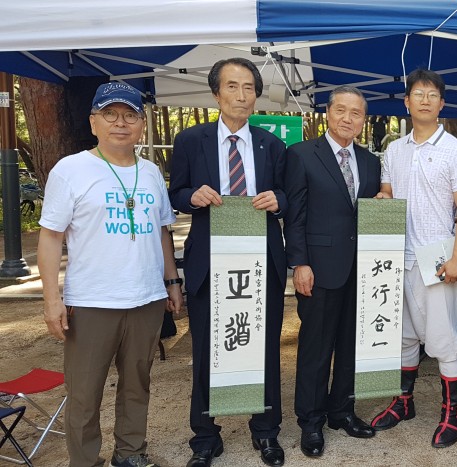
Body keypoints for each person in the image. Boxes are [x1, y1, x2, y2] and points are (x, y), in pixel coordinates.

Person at [38, 82, 182, 467]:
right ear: (93, 122)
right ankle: (85, 460)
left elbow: (162, 232)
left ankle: (130, 453)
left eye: (130, 115)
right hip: (92, 302)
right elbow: (50, 237)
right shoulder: (71, 170)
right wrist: (52, 301)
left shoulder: (151, 172)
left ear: (142, 124)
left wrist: (172, 282)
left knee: (137, 384)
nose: (121, 123)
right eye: (110, 114)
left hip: (146, 298)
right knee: (84, 392)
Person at [169, 57, 288, 467]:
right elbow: (175, 193)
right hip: (211, 259)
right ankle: (205, 436)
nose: (241, 95)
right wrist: (191, 196)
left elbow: (289, 197)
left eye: (249, 88)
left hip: (261, 260)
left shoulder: (271, 144)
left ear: (256, 96)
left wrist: (277, 200)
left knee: (264, 346)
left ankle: (266, 430)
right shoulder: (190, 140)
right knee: (206, 348)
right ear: (216, 93)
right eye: (232, 86)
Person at [370, 69, 457, 448]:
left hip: (439, 258)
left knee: (446, 338)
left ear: (441, 103)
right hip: (398, 258)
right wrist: (382, 199)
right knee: (402, 336)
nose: (426, 100)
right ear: (407, 101)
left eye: (433, 95)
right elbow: (387, 193)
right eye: (418, 93)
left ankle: (452, 412)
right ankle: (404, 402)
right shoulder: (394, 150)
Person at [283, 86, 380, 458]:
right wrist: (299, 263)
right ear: (328, 112)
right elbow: (295, 216)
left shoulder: (370, 161)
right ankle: (311, 421)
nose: (348, 118)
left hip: (361, 270)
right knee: (316, 348)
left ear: (363, 119)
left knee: (352, 346)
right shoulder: (302, 155)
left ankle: (342, 411)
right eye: (341, 110)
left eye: (356, 113)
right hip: (319, 269)